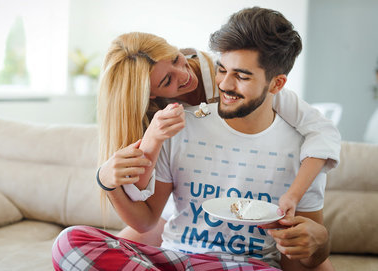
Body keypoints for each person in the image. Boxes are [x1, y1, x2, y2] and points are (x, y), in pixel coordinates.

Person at [52, 7, 338, 271]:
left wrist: (319, 242)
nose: (224, 83)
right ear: (150, 95)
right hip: (178, 250)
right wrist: (108, 178)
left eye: (241, 76)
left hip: (245, 264)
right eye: (223, 70)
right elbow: (144, 219)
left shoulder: (303, 149)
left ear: (276, 83)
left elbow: (323, 132)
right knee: (70, 243)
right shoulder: (174, 126)